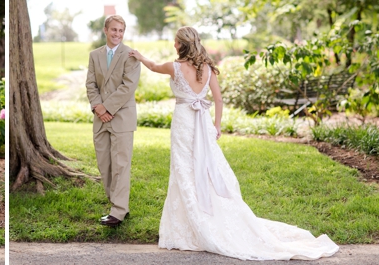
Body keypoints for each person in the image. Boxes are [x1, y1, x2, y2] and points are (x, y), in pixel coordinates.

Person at [128, 26, 339, 260]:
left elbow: (153, 66)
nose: (174, 45)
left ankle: (190, 225)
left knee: (184, 169)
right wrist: (217, 126)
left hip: (184, 123)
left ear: (181, 44)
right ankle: (207, 214)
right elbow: (218, 99)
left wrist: (140, 56)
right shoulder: (208, 69)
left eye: (176, 42)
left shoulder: (174, 67)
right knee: (209, 168)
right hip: (204, 124)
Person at [85, 15, 141, 228]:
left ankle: (118, 211)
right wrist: (98, 108)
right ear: (105, 30)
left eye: (121, 31)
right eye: (114, 30)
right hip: (100, 119)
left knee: (121, 165)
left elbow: (128, 86)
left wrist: (106, 107)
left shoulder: (130, 56)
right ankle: (116, 204)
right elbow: (91, 84)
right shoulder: (94, 55)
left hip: (122, 118)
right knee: (105, 165)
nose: (117, 34)